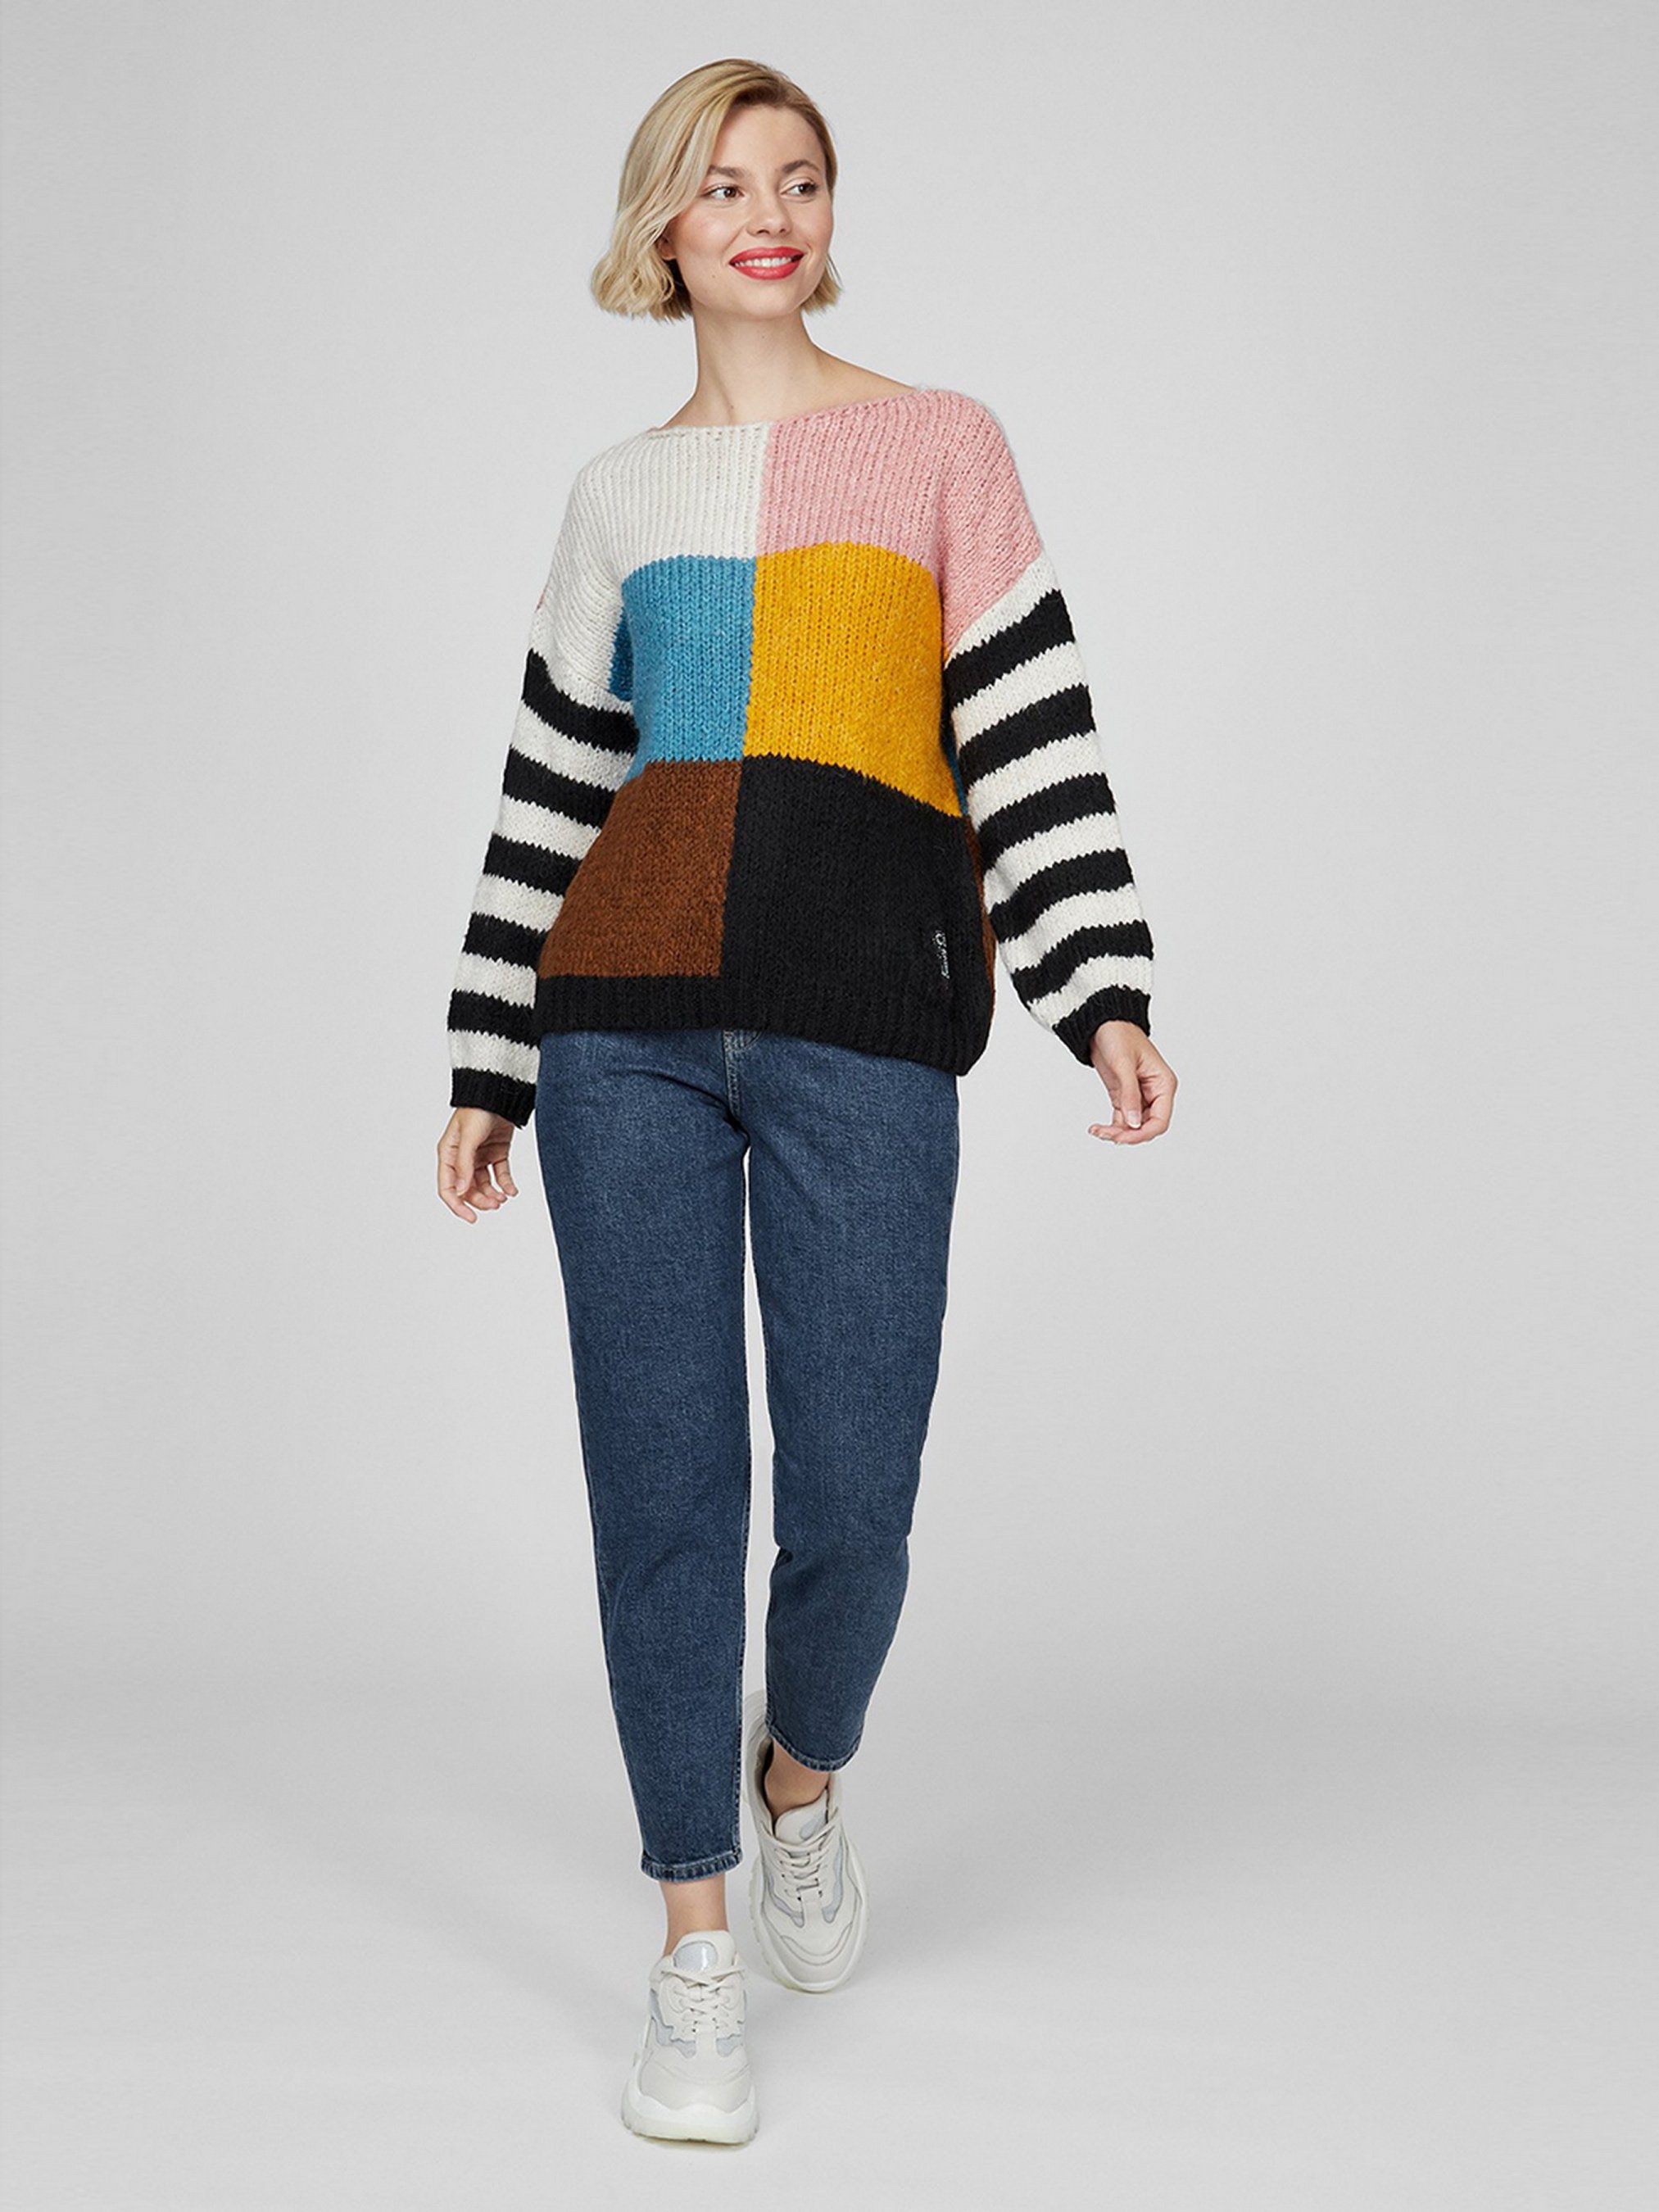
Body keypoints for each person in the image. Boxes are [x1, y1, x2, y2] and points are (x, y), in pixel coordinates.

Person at [436, 57, 1176, 2146]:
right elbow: (549, 792)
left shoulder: (940, 446)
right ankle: (691, 1947)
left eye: (799, 179)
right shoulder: (615, 495)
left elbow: (1027, 737)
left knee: (852, 1494)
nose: (767, 214)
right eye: (723, 184)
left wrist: (1101, 992)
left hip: (859, 1019)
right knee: (663, 1490)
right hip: (622, 1032)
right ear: (660, 228)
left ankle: (798, 1779)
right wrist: (489, 1056)